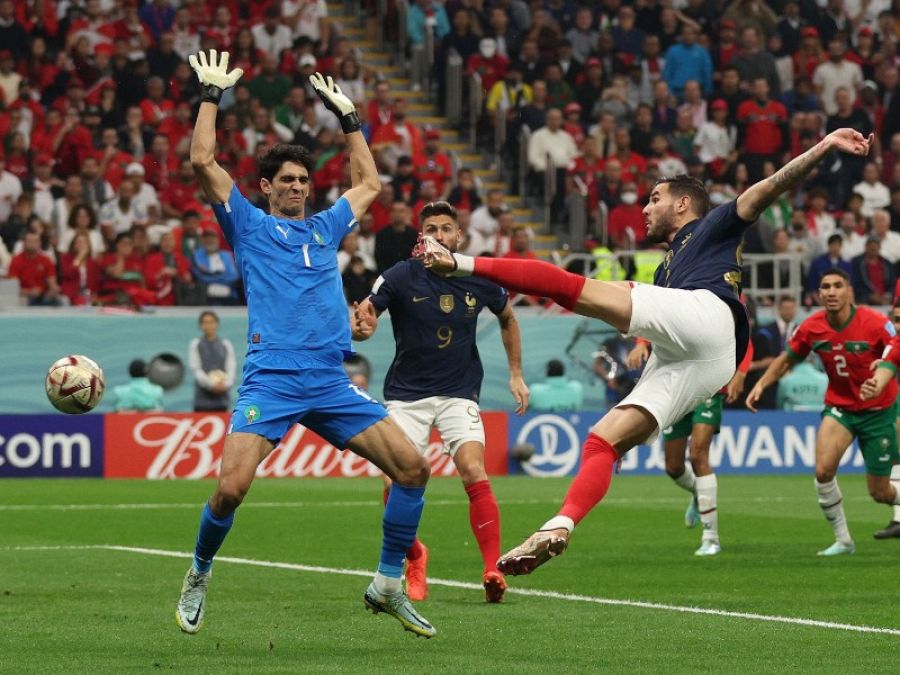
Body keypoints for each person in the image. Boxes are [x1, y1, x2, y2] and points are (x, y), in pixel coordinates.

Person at [414, 127, 874, 576]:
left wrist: (824, 146)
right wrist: (643, 344)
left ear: (683, 203)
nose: (645, 209)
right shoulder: (667, 269)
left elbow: (769, 187)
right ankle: (561, 523)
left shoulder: (713, 223)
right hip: (701, 360)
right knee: (602, 440)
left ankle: (462, 264)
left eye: (654, 199)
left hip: (710, 320)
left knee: (571, 285)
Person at [176, 50, 436, 639]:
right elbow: (201, 158)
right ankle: (199, 570)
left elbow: (368, 182)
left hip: (329, 379)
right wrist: (211, 96)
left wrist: (350, 120)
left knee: (413, 468)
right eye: (286, 181)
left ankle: (388, 585)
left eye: (303, 181)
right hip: (271, 377)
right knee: (230, 490)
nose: (297, 187)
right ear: (267, 187)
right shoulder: (246, 222)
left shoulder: (327, 226)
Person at [353, 200, 529, 603]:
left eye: (446, 228)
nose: (439, 235)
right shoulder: (399, 276)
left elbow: (508, 317)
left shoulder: (477, 274)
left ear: (458, 235)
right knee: (393, 481)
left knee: (473, 470)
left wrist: (516, 374)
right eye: (430, 229)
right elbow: (367, 320)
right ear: (421, 237)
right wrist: (361, 329)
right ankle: (415, 555)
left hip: (458, 392)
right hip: (406, 396)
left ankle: (491, 569)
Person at [746, 269, 900, 555]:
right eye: (825, 287)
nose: (831, 292)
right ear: (818, 294)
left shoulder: (877, 324)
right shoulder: (811, 328)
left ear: (849, 291)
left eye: (837, 286)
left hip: (878, 411)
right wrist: (762, 385)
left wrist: (880, 381)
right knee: (823, 471)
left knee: (880, 493)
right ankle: (843, 540)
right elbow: (786, 359)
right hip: (840, 407)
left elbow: (894, 354)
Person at [627, 321, 753, 556]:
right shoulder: (670, 289)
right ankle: (698, 492)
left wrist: (741, 373)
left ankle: (711, 538)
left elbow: (745, 338)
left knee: (698, 455)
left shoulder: (717, 290)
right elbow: (654, 321)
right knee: (673, 466)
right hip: (675, 386)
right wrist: (641, 343)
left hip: (708, 384)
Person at [859, 302, 900, 539]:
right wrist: (875, 382)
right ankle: (898, 518)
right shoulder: (894, 345)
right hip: (893, 399)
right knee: (896, 452)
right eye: (896, 320)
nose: (899, 326)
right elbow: (886, 368)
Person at [189, 310, 236, 412]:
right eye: (205, 322)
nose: (209, 325)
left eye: (211, 322)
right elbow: (196, 369)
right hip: (202, 400)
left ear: (217, 324)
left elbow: (231, 367)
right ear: (201, 325)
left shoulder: (226, 344)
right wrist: (211, 384)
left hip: (222, 399)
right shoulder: (195, 344)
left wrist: (226, 384)